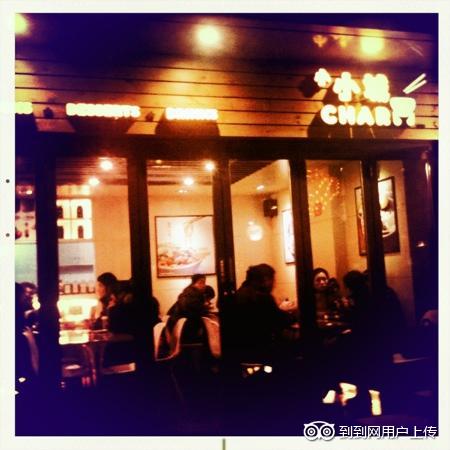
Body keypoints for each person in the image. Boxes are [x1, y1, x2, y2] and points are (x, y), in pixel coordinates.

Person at [228, 264, 295, 363]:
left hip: (238, 351)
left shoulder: (237, 294)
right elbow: (279, 320)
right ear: (265, 280)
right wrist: (296, 314)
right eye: (272, 280)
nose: (274, 284)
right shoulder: (262, 298)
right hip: (260, 351)